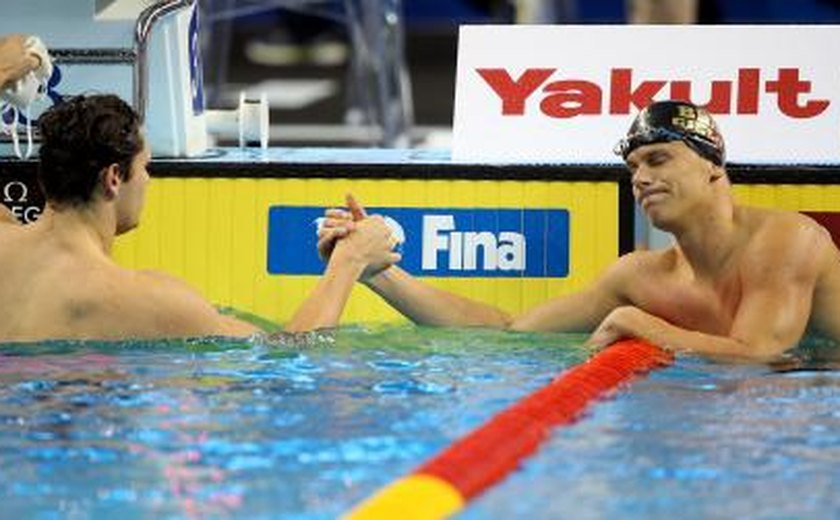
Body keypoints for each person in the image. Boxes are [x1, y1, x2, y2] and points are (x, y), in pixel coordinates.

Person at [318, 100, 840, 363]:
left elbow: (757, 357)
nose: (641, 178)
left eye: (658, 159)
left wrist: (640, 324)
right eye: (633, 167)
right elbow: (508, 329)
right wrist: (375, 272)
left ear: (713, 169)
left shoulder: (786, 240)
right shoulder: (642, 275)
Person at [0, 94, 400, 342]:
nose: (150, 182)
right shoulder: (144, 299)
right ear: (114, 178)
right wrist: (349, 261)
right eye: (148, 169)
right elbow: (288, 359)